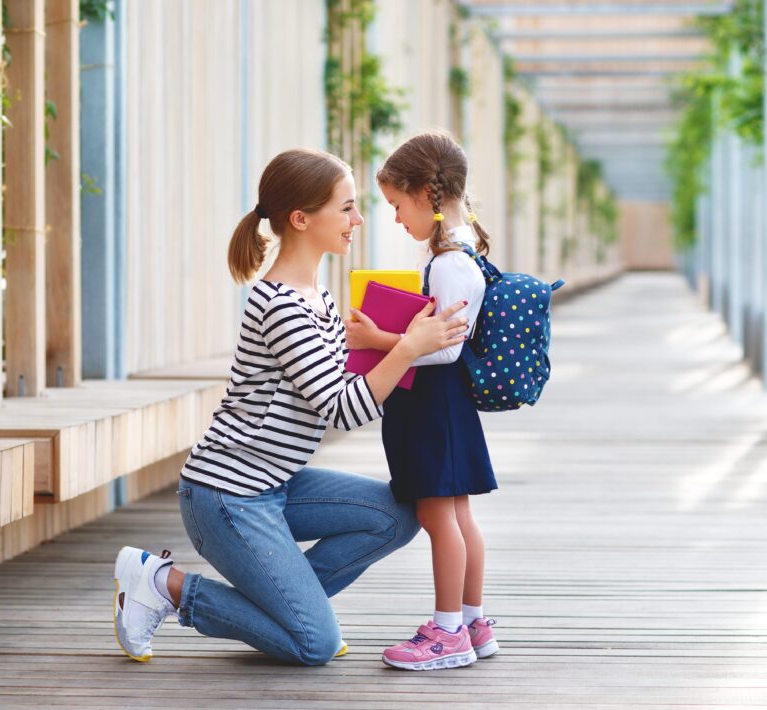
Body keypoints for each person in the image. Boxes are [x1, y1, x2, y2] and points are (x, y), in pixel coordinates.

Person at [112, 148, 470, 666]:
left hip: (276, 483)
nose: (359, 219)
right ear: (301, 219)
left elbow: (344, 381)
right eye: (346, 208)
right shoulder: (281, 305)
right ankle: (165, 586)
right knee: (313, 645)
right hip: (227, 496)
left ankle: (287, 610)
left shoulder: (317, 296)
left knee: (397, 514)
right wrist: (409, 347)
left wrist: (394, 340)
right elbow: (342, 409)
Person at [345, 132, 499, 670]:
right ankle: (472, 621)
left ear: (427, 193)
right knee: (458, 516)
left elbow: (441, 352)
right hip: (445, 409)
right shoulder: (461, 255)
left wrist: (376, 341)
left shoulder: (449, 263)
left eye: (396, 205)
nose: (394, 218)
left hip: (431, 408)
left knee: (440, 520)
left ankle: (448, 631)